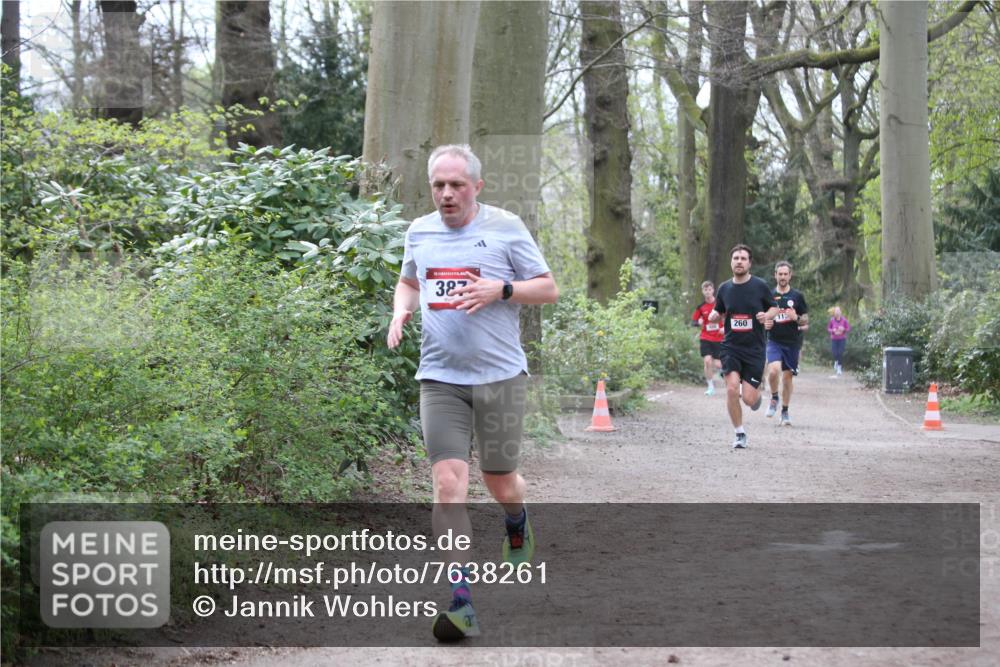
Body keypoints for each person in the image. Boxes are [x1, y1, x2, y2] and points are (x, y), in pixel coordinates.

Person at [387, 144, 558, 641]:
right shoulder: (418, 231)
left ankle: (517, 521)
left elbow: (547, 288)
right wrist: (401, 310)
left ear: (477, 187)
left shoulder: (505, 227)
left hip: (501, 377)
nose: (446, 194)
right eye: (438, 185)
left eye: (456, 185)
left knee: (500, 479)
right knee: (448, 486)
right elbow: (409, 281)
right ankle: (461, 602)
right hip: (440, 379)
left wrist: (500, 290)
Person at [708, 245, 779, 449]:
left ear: (749, 263)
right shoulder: (724, 288)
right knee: (731, 389)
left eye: (743, 258)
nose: (739, 261)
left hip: (755, 349)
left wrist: (767, 315)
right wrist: (715, 314)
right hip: (731, 347)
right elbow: (719, 310)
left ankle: (755, 396)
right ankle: (739, 433)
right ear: (731, 262)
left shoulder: (760, 286)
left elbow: (774, 308)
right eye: (736, 258)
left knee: (748, 398)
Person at [763, 261, 809, 426]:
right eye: (780, 274)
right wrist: (765, 322)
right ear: (775, 275)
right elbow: (762, 316)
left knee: (788, 378)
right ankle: (774, 397)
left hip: (792, 343)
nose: (782, 277)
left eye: (785, 274)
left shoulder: (797, 296)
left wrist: (795, 318)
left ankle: (785, 410)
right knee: (774, 371)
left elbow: (805, 319)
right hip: (774, 341)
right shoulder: (768, 295)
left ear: (790, 275)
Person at [691, 280, 724, 395]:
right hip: (705, 337)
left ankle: (723, 372)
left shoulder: (720, 304)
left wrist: (724, 328)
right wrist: (698, 322)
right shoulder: (700, 307)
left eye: (709, 289)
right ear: (703, 291)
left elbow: (728, 317)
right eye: (705, 290)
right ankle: (710, 387)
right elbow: (693, 322)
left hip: (719, 338)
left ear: (713, 290)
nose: (708, 292)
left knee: (719, 364)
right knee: (707, 361)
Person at [828, 306, 851, 376]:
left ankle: (839, 368)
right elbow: (828, 328)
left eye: (838, 311)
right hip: (834, 338)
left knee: (840, 352)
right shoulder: (832, 320)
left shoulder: (844, 320)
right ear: (834, 313)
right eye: (836, 311)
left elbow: (848, 328)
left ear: (840, 312)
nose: (837, 312)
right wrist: (833, 330)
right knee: (834, 352)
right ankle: (836, 361)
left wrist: (843, 329)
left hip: (842, 338)